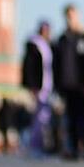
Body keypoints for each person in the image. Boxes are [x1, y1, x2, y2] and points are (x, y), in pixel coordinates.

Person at [54, 5, 84, 159]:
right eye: (68, 16)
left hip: (83, 86)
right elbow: (56, 64)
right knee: (71, 118)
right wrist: (57, 84)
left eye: (72, 15)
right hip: (68, 85)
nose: (70, 19)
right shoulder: (62, 39)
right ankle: (72, 148)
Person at [21, 20, 56, 157]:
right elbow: (30, 67)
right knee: (38, 117)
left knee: (44, 117)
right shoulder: (34, 45)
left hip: (47, 86)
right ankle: (34, 145)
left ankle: (40, 144)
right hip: (38, 87)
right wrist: (32, 86)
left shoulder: (47, 45)